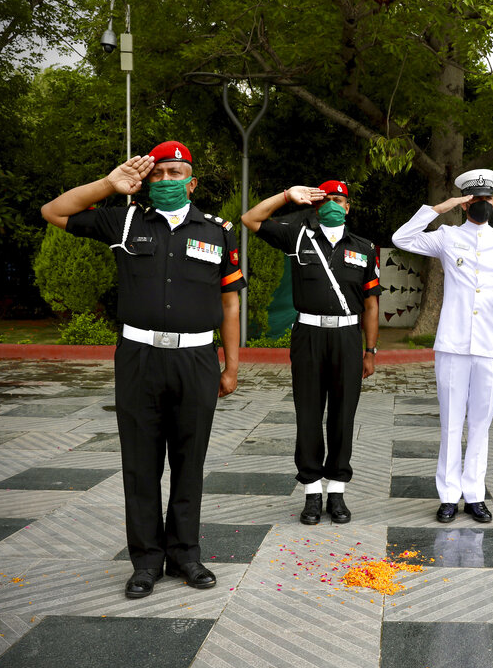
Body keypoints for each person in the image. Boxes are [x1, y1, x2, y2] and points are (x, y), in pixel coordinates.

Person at [40, 142, 247, 599]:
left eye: (177, 173)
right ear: (146, 181)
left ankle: (186, 555)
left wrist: (231, 366)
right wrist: (108, 185)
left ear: (192, 182)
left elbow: (230, 303)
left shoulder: (217, 232)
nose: (168, 180)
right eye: (160, 174)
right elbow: (53, 211)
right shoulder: (125, 219)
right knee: (140, 463)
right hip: (138, 359)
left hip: (196, 360)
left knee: (190, 461)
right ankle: (146, 561)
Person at [240, 180, 380, 526]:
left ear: (348, 207)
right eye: (328, 199)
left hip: (348, 334)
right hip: (309, 334)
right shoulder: (298, 235)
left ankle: (337, 491)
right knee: (308, 411)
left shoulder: (365, 247)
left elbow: (372, 304)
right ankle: (312, 491)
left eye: (340, 200)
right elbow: (250, 219)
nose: (334, 204)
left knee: (343, 414)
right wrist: (287, 195)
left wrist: (371, 350)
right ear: (318, 205)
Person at [392, 168, 493, 523]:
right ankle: (449, 495)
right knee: (451, 423)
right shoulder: (447, 236)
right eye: (476, 200)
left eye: (488, 199)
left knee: (481, 423)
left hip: (489, 344)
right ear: (467, 205)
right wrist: (440, 207)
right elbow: (402, 238)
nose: (484, 205)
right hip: (452, 343)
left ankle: (475, 495)